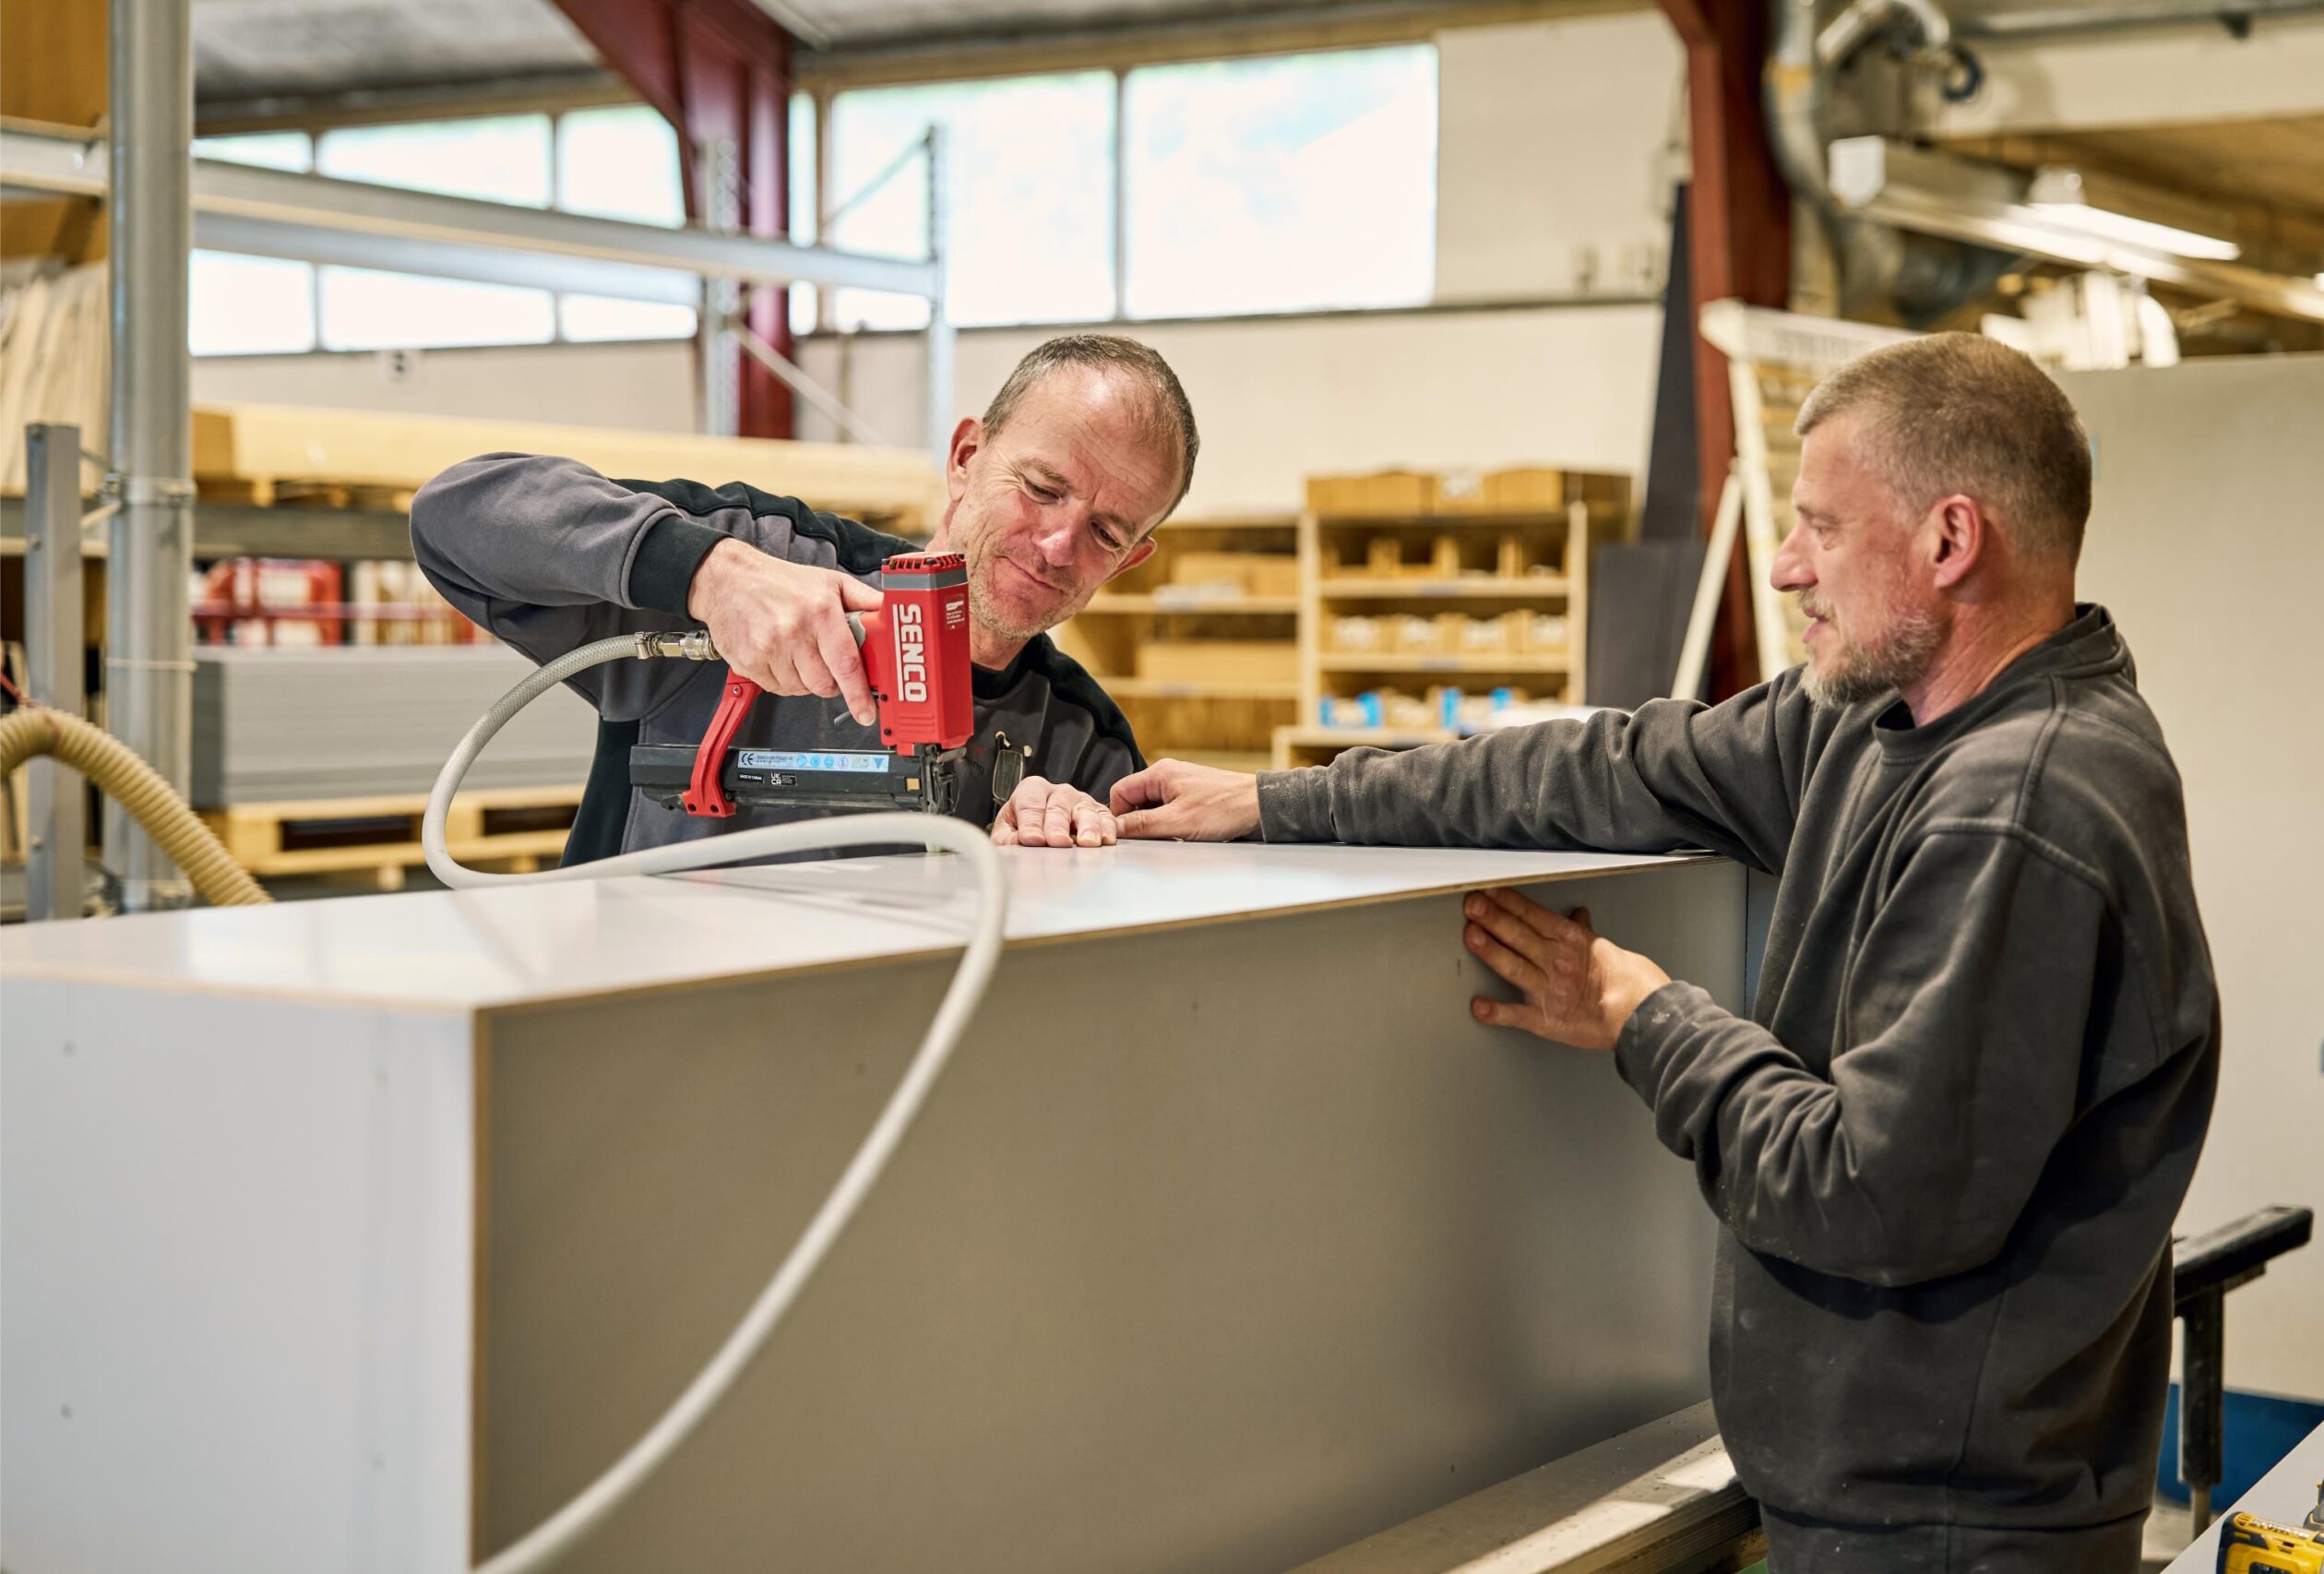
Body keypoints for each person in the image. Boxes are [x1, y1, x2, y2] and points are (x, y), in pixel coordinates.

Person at [1111, 333, 2218, 1574]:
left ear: (1950, 540)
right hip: (1874, 1504)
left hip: (1954, 1535)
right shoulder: (1876, 724)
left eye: (1821, 527)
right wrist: (1280, 801)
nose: (1787, 564)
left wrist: (1645, 1013)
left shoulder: (2020, 805)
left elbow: (1872, 1195)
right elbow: (1610, 764)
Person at [412, 333, 1196, 860]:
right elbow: (456, 514)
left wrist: (1062, 852)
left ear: (1129, 562)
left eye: (1105, 533)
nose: (1058, 545)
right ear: (965, 458)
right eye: (1042, 488)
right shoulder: (766, 555)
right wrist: (709, 575)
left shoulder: (1083, 742)